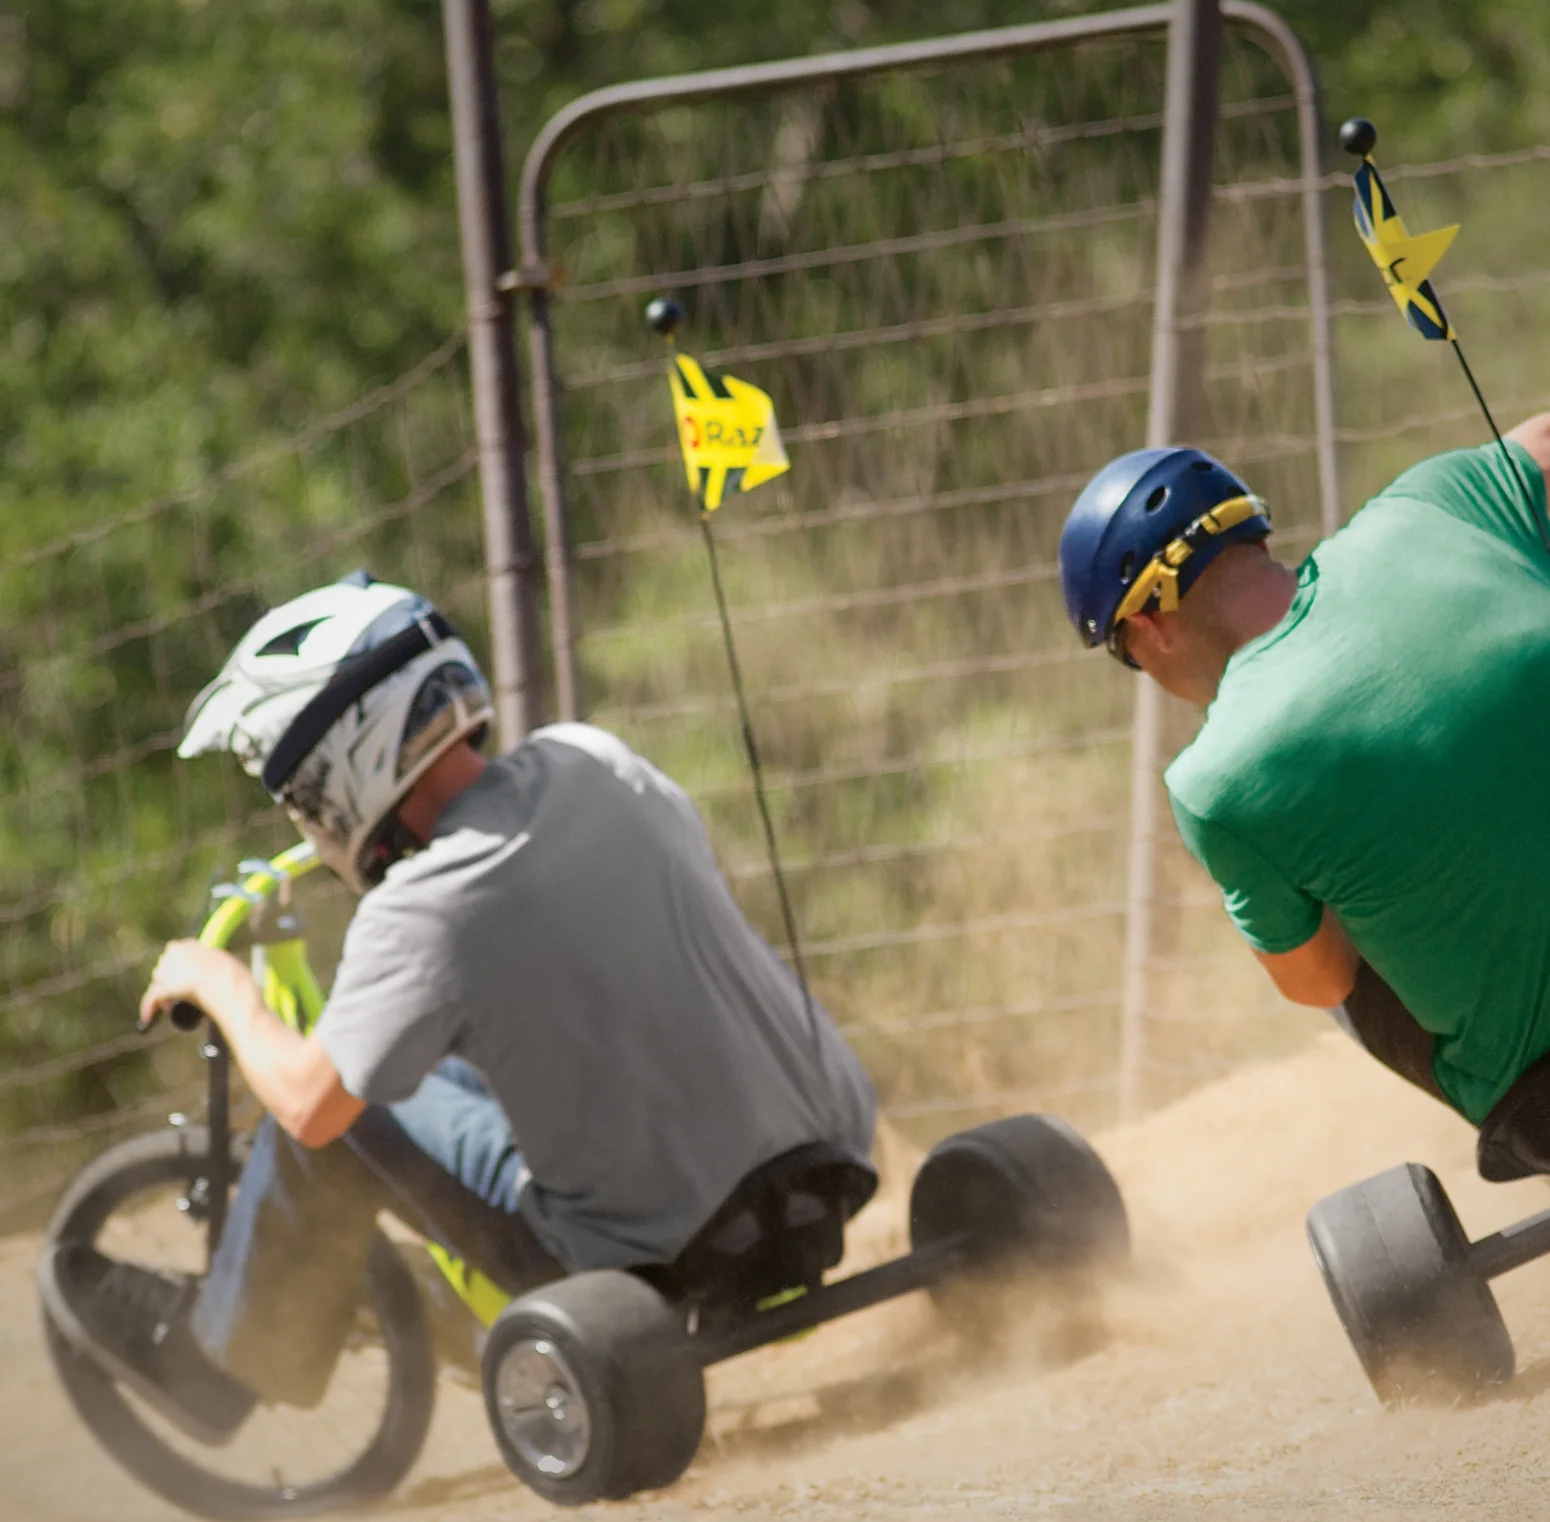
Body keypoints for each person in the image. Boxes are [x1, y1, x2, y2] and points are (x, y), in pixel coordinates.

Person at [51, 570, 876, 1438]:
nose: (305, 823)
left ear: (342, 766)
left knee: (338, 1119)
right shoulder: (595, 759)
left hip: (648, 1262)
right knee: (440, 1059)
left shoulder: (420, 911)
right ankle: (436, 1307)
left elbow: (306, 1102)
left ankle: (217, 1364)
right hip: (827, 1167)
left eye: (298, 798)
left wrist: (224, 987)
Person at [1057, 419, 1550, 1179]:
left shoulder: (1214, 780)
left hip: (1541, 1097)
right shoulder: (1430, 505)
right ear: (1252, 533)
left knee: (1325, 949)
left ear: (1148, 627)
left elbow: (1318, 981)